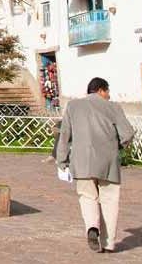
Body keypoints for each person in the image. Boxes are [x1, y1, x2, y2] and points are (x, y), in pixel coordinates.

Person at [54, 77, 135, 253]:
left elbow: (65, 134)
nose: (109, 95)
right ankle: (108, 243)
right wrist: (118, 144)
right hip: (108, 161)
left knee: (87, 196)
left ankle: (92, 227)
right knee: (109, 200)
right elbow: (128, 133)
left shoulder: (73, 106)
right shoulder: (113, 107)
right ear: (101, 90)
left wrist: (62, 160)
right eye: (108, 91)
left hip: (82, 160)